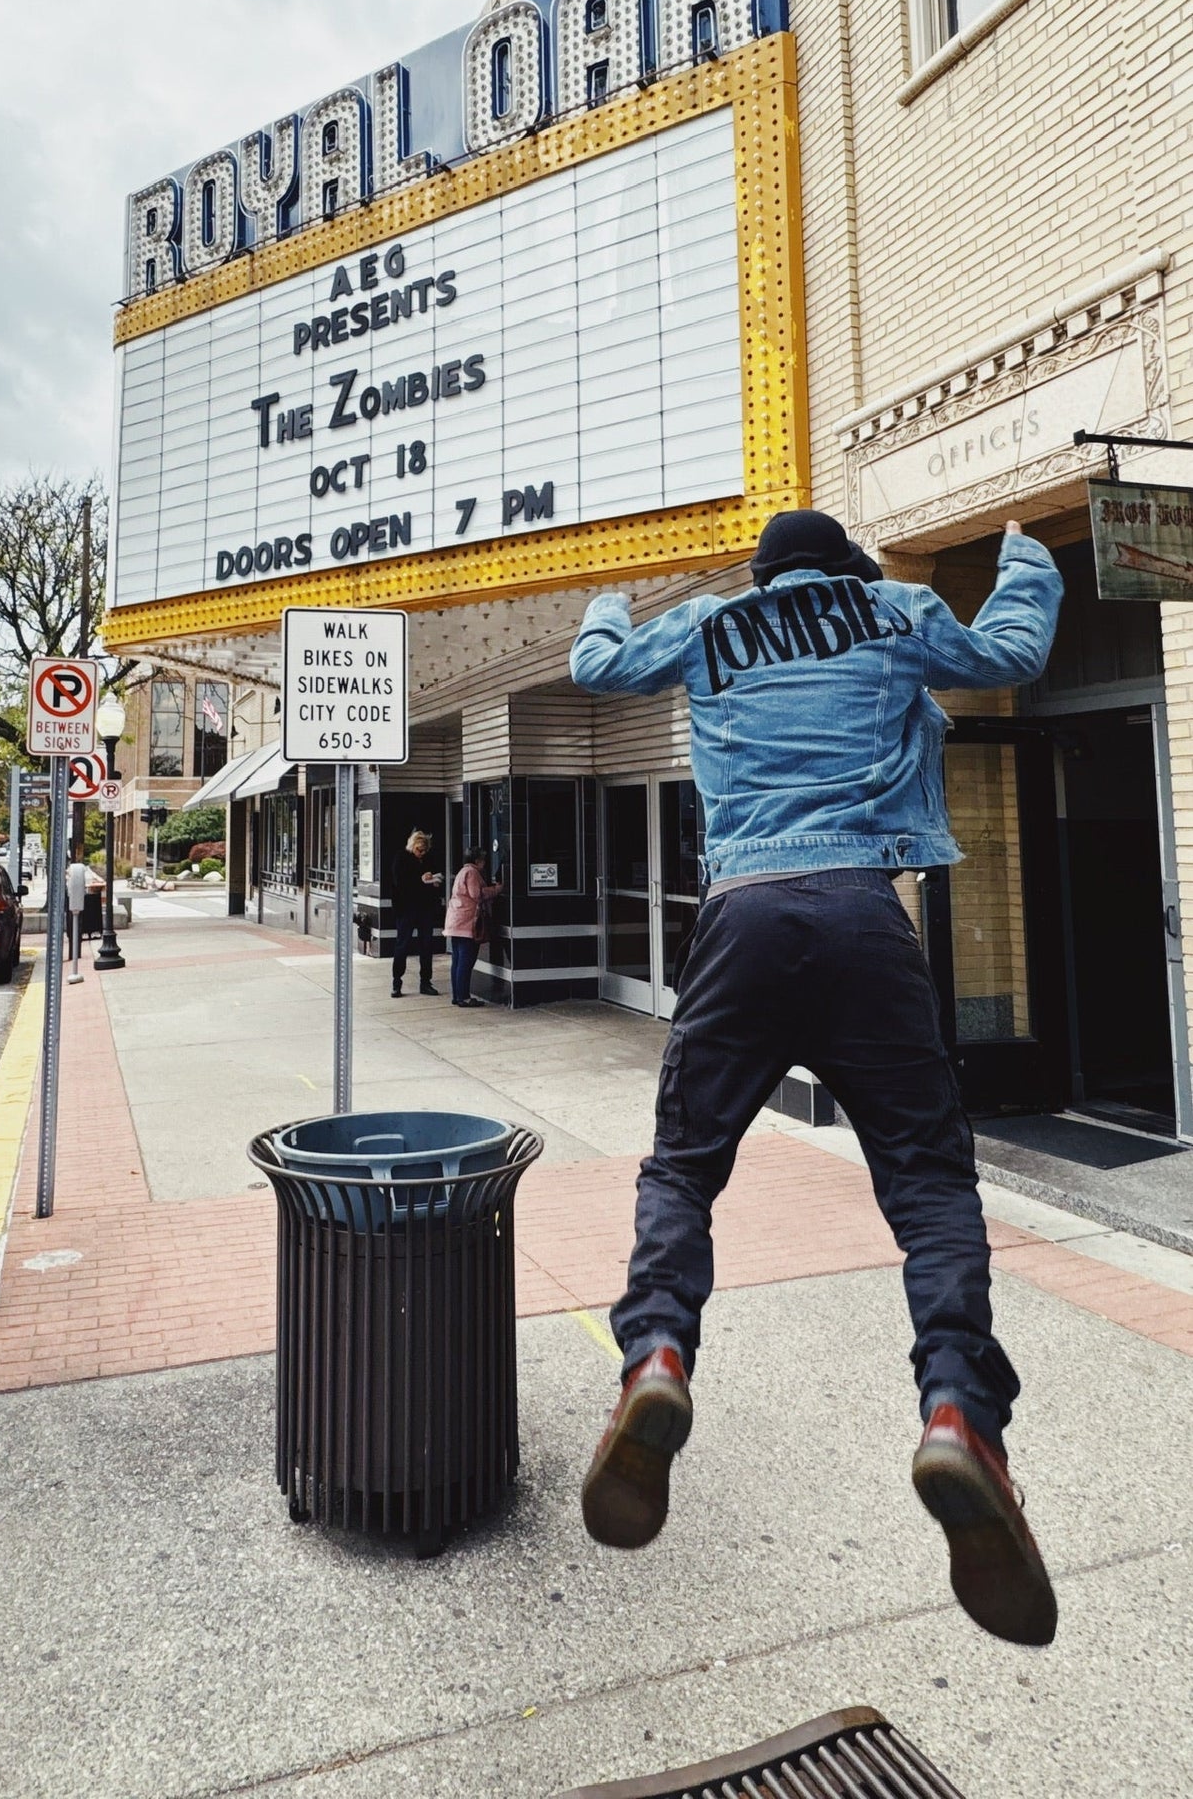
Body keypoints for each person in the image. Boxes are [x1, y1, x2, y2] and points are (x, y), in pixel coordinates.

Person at [569, 508, 1064, 1649]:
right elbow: (1009, 655)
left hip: (741, 921)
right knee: (930, 1186)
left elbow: (595, 666)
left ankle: (654, 1356)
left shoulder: (707, 623)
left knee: (683, 1170)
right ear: (840, 565)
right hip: (860, 915)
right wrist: (1027, 554)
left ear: (761, 570)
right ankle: (956, 1415)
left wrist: (609, 593)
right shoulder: (892, 609)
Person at [444, 848, 502, 1006]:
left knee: (457, 960)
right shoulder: (472, 872)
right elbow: (477, 894)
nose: (484, 863)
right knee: (466, 961)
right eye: (483, 860)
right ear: (477, 860)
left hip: (455, 922)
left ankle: (457, 996)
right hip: (467, 923)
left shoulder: (462, 871)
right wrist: (497, 889)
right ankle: (464, 997)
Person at [389, 829, 443, 997]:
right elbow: (400, 883)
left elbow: (435, 877)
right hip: (406, 908)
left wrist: (434, 882)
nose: (422, 854)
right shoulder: (402, 858)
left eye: (424, 850)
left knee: (426, 945)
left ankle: (425, 982)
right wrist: (421, 880)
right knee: (402, 944)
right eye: (419, 850)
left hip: (425, 908)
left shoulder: (427, 859)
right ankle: (397, 982)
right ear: (412, 846)